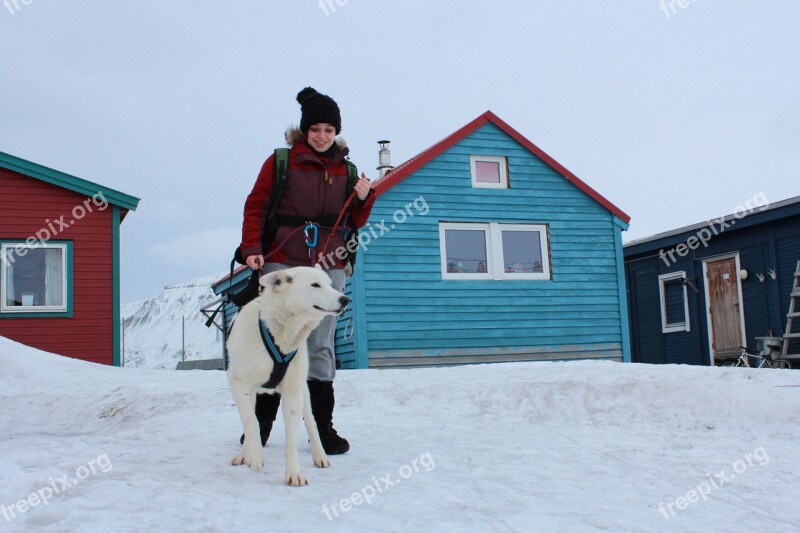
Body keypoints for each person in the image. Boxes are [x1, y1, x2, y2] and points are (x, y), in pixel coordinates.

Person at [238, 87, 375, 454]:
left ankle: (322, 427)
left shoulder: (346, 169)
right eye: (315, 128)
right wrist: (252, 249)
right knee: (274, 340)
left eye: (329, 129)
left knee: (319, 344)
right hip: (283, 259)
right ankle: (261, 425)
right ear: (304, 130)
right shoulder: (281, 161)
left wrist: (364, 197)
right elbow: (256, 205)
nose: (322, 136)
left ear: (336, 133)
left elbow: (355, 220)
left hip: (328, 264)